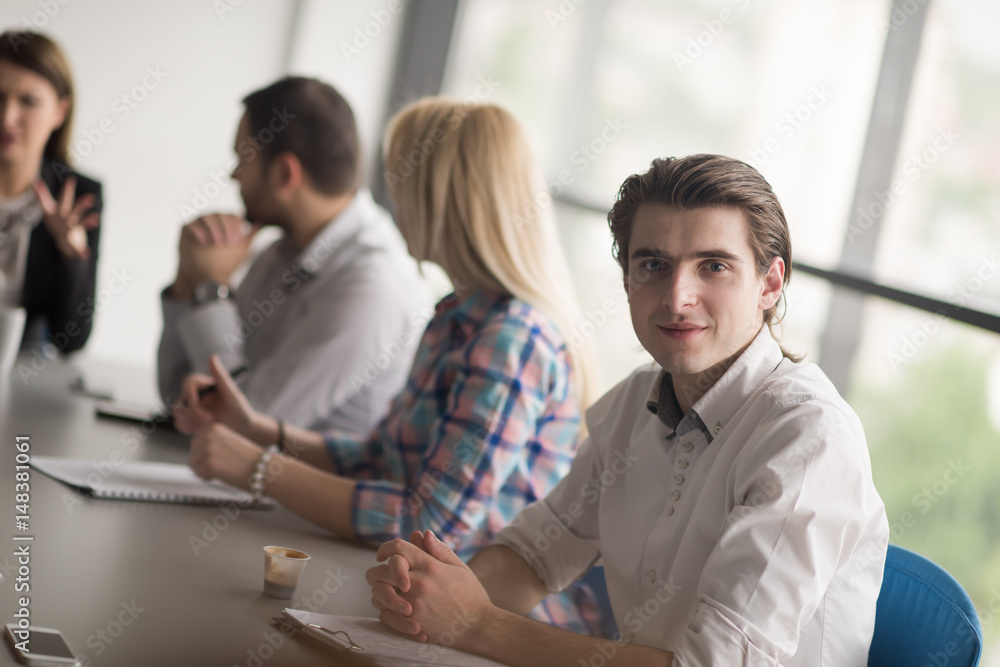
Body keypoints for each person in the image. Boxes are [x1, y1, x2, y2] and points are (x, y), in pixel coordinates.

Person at [367, 154, 890, 666]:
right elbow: (535, 555)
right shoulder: (635, 401)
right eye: (653, 265)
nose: (678, 296)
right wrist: (428, 600)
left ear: (770, 285)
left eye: (714, 266)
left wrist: (477, 624)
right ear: (627, 280)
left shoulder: (809, 434)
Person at [173, 97, 607, 635]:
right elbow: (382, 458)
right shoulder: (452, 317)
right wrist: (258, 430)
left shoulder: (512, 340)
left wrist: (260, 467)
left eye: (402, 180)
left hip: (487, 628)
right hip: (411, 605)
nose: (390, 198)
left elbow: (429, 526)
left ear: (441, 199)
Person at [158, 76, 429, 432]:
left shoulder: (371, 286)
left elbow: (246, 425)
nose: (234, 176)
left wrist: (211, 290)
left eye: (242, 159)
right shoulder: (279, 253)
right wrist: (187, 282)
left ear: (285, 173)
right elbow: (177, 396)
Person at [0, 31, 101, 353]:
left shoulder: (79, 195)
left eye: (28, 101)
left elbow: (71, 339)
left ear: (60, 111)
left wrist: (70, 253)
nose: (7, 118)